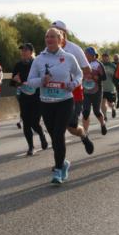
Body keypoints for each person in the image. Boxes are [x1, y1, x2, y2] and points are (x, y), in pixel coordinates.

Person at [25, 27, 83, 185]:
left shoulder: (69, 57)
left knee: (58, 135)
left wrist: (73, 84)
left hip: (65, 101)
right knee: (54, 137)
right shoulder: (38, 60)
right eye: (47, 37)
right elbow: (30, 81)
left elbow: (79, 74)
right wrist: (42, 81)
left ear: (60, 39)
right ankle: (63, 163)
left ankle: (58, 170)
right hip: (46, 102)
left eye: (52, 37)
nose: (49, 39)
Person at [52, 21, 95, 156]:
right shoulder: (49, 50)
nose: (54, 34)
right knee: (57, 129)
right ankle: (60, 161)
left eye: (57, 31)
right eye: (52, 31)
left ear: (64, 33)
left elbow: (87, 70)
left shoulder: (74, 49)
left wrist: (74, 79)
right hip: (54, 93)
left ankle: (83, 135)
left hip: (74, 93)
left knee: (71, 127)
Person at [10, 44, 48, 156]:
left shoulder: (37, 63)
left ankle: (42, 135)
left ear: (31, 52)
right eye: (22, 50)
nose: (23, 52)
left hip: (37, 96)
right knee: (26, 123)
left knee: (34, 122)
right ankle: (31, 147)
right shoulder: (18, 65)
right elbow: (12, 82)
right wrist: (16, 80)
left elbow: (44, 78)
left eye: (25, 50)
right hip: (24, 97)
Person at [82, 47, 107, 137]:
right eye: (85, 54)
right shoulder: (83, 64)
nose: (85, 56)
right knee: (85, 112)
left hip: (97, 91)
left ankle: (103, 124)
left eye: (87, 54)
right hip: (85, 91)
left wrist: (97, 78)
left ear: (93, 55)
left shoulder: (98, 65)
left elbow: (104, 77)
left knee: (96, 111)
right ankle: (85, 132)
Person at [100, 51, 117, 120]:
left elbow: (116, 76)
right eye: (103, 57)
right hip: (101, 88)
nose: (104, 58)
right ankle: (104, 115)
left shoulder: (112, 66)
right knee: (102, 102)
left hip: (110, 88)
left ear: (108, 58)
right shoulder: (100, 65)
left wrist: (111, 73)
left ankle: (113, 108)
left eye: (106, 57)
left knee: (110, 103)